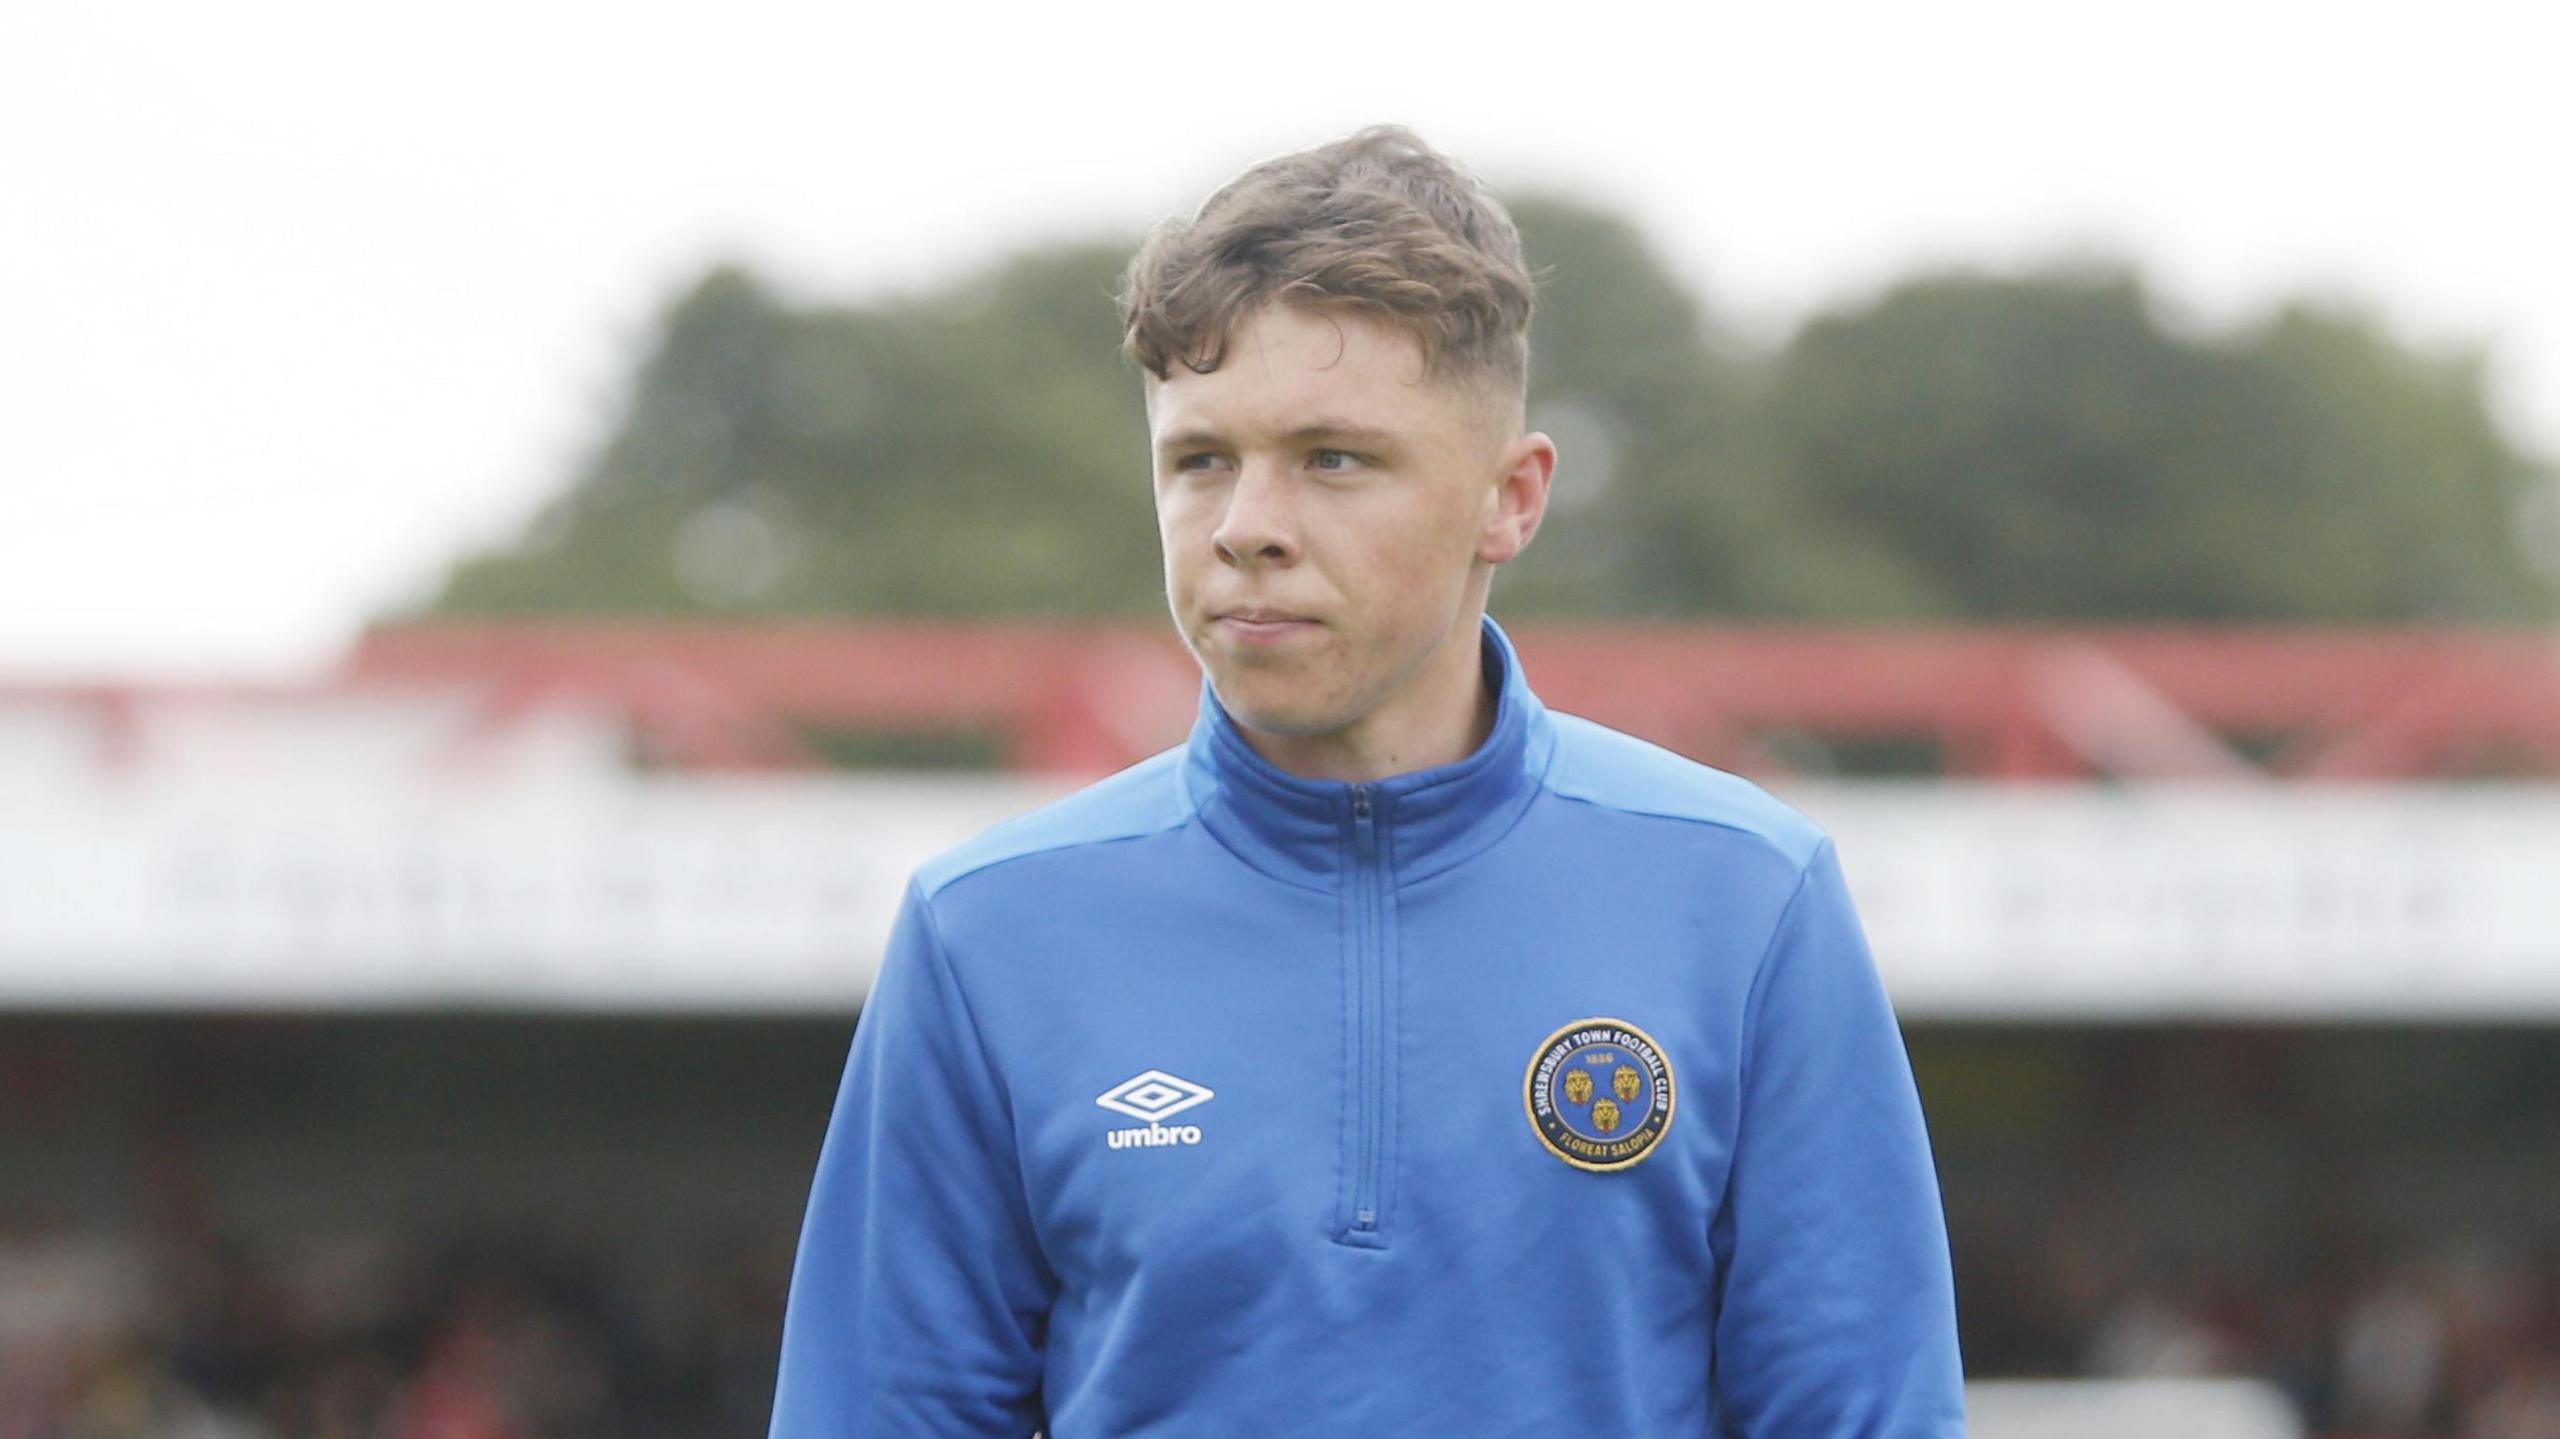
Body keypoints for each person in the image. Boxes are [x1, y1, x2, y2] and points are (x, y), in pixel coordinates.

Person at [767, 125, 1965, 1437]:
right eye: (1199, 459)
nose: (1246, 527)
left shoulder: (1746, 904)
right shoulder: (987, 931)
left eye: (1334, 459)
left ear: (1511, 498)